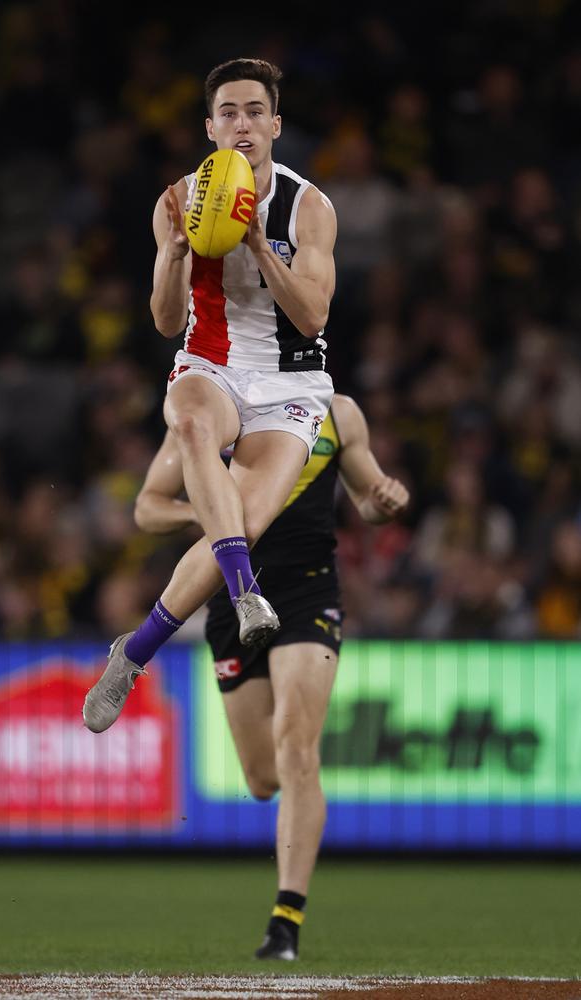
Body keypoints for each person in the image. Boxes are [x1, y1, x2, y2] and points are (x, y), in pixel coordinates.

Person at [83, 57, 337, 734]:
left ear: (275, 125)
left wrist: (258, 243)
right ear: (210, 126)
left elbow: (312, 316)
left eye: (255, 110)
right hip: (212, 362)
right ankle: (245, 591)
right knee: (191, 422)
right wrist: (170, 253)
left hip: (290, 382)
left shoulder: (308, 205)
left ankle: (132, 653)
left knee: (242, 524)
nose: (242, 123)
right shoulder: (179, 197)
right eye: (228, 111)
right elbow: (167, 322)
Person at [133, 393, 410, 960]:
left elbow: (368, 503)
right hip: (231, 598)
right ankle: (296, 808)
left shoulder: (337, 413)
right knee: (264, 778)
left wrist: (385, 499)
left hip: (309, 591)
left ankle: (286, 919)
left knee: (297, 748)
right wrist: (215, 511)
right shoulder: (209, 408)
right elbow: (146, 507)